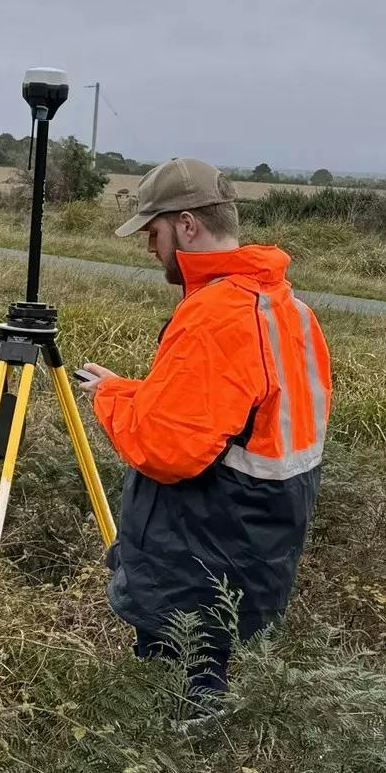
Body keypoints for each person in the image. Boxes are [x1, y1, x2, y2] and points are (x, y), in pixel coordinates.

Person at [76, 157, 332, 711]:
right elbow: (230, 418)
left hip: (198, 558)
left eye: (154, 231)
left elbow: (169, 450)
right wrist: (135, 390)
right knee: (215, 684)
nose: (150, 247)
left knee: (183, 706)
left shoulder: (217, 316)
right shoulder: (287, 309)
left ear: (187, 225)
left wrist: (110, 397)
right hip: (259, 551)